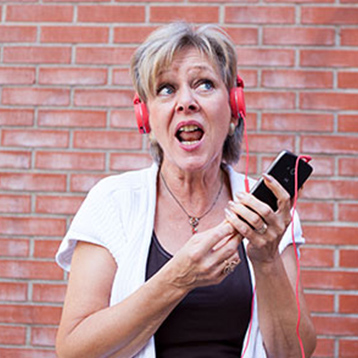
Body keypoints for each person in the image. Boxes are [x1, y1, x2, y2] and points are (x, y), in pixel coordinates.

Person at [55, 22, 316, 358]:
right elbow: (74, 349)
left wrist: (266, 261)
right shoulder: (112, 202)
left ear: (235, 109)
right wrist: (177, 279)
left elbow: (294, 353)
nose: (186, 101)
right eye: (166, 89)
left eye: (204, 84)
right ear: (146, 119)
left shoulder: (268, 212)